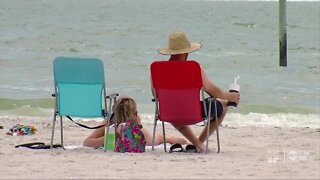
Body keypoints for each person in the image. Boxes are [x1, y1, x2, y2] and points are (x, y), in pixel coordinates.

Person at [155, 31, 240, 153]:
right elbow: (214, 91)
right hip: (194, 113)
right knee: (224, 104)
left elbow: (156, 95)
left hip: (167, 113)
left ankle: (197, 144)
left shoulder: (157, 69)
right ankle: (199, 143)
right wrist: (230, 96)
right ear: (186, 51)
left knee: (175, 113)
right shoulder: (194, 68)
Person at [83, 96, 187, 149]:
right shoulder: (110, 121)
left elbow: (87, 142)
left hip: (147, 138)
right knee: (163, 138)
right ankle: (179, 140)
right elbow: (87, 143)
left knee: (163, 138)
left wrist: (137, 125)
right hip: (148, 137)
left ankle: (180, 140)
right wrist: (110, 137)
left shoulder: (134, 121)